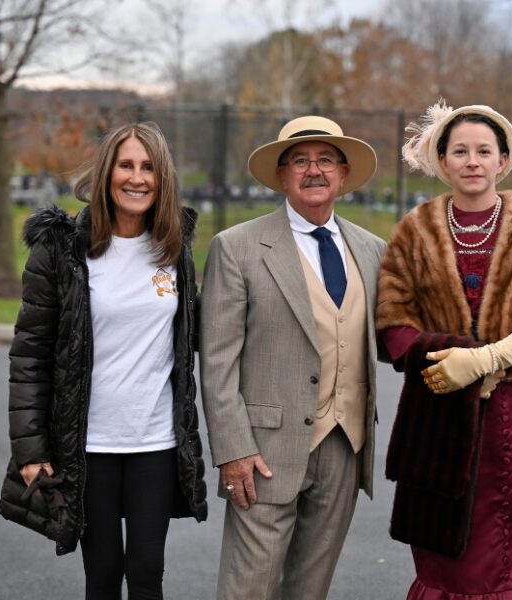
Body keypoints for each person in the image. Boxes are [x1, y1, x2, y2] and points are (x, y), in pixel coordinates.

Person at [0, 121, 208, 599]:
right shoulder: (61, 249)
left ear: (163, 178)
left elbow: (196, 334)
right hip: (89, 446)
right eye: (126, 165)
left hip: (155, 440)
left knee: (148, 571)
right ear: (106, 173)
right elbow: (30, 354)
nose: (137, 178)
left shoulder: (175, 249)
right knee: (104, 574)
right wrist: (31, 452)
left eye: (148, 167)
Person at [377, 101, 512, 599]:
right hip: (438, 410)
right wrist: (444, 361)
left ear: (502, 160)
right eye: (460, 150)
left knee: (502, 555)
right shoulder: (413, 230)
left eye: (484, 151)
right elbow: (392, 321)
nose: (472, 161)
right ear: (441, 160)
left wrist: (491, 359)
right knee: (441, 548)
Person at [200, 115, 386, 600]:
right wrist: (233, 449)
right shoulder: (237, 248)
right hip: (261, 454)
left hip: (345, 446)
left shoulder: (373, 251)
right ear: (281, 175)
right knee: (249, 590)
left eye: (326, 160)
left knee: (310, 589)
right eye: (299, 160)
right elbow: (217, 362)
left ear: (343, 174)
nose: (313, 170)